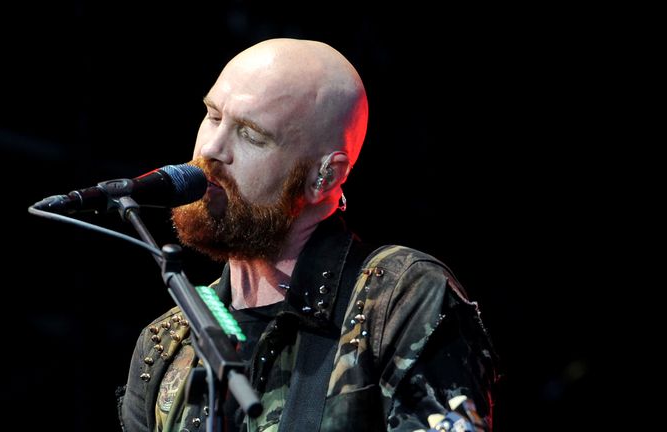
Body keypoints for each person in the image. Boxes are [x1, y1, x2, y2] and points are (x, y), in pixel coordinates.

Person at [118, 38, 497, 432]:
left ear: (325, 176)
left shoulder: (398, 298)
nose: (211, 150)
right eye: (213, 116)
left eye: (251, 134)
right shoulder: (167, 343)